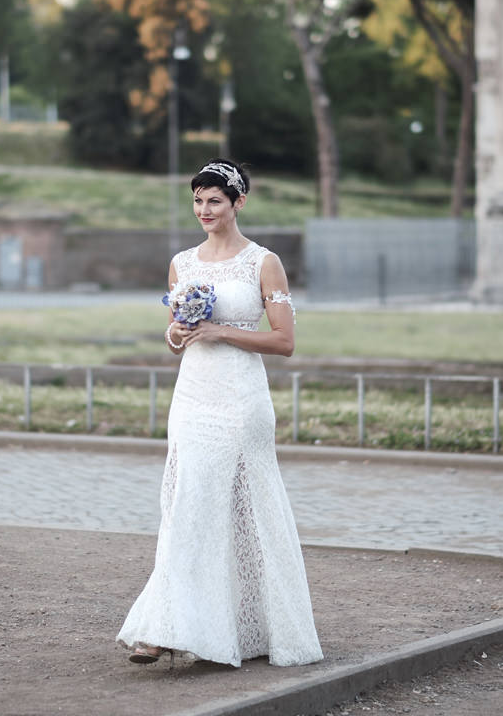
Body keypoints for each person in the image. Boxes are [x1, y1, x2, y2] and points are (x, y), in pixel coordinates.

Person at [116, 159, 323, 667]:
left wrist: (220, 331)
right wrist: (178, 334)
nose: (204, 210)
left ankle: (230, 628)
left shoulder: (263, 262)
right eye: (197, 201)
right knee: (183, 506)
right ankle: (169, 625)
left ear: (238, 203)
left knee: (235, 515)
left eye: (214, 201)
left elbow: (285, 341)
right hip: (191, 398)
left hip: (239, 400)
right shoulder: (182, 263)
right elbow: (172, 338)